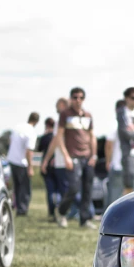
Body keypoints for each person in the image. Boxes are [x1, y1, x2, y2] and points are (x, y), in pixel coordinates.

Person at [51, 87, 97, 229]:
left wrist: (94, 155)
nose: (78, 100)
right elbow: (59, 137)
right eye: (75, 97)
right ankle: (62, 212)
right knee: (74, 188)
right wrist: (66, 157)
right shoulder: (65, 115)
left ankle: (85, 219)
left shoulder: (88, 115)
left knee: (88, 190)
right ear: (71, 99)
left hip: (88, 157)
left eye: (81, 97)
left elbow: (92, 136)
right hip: (73, 157)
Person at [41, 98, 71, 220]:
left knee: (68, 190)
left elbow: (55, 142)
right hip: (65, 161)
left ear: (63, 105)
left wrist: (46, 160)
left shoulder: (61, 121)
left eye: (57, 105)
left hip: (63, 162)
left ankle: (65, 213)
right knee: (69, 190)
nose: (56, 108)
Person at [7, 112, 39, 216]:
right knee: (25, 188)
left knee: (16, 187)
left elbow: (10, 141)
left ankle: (15, 205)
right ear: (36, 122)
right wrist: (30, 167)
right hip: (22, 163)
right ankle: (22, 210)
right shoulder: (31, 132)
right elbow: (29, 151)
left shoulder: (17, 127)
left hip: (12, 160)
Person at [105, 100, 127, 208]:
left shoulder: (114, 124)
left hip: (117, 164)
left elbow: (109, 145)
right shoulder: (132, 124)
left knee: (114, 196)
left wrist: (108, 161)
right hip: (131, 166)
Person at [37, 117, 58, 221]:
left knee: (50, 191)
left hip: (47, 166)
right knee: (58, 190)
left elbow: (39, 148)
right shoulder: (57, 136)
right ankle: (60, 211)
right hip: (57, 165)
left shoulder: (45, 137)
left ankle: (52, 212)